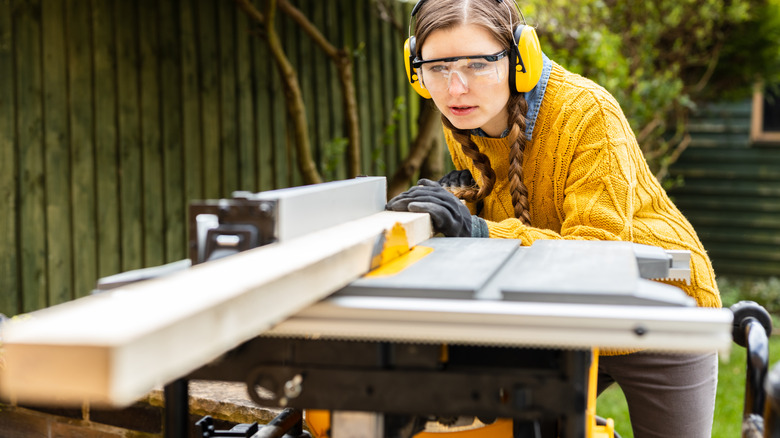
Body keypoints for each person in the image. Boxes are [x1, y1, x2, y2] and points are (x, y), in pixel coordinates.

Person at [386, 0, 722, 437]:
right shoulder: (466, 118)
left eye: (477, 65)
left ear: (519, 60)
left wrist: (478, 231)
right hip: (565, 317)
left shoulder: (588, 114)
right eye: (437, 68)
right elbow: (506, 197)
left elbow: (598, 254)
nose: (455, 89)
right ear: (418, 73)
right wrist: (457, 203)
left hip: (662, 309)